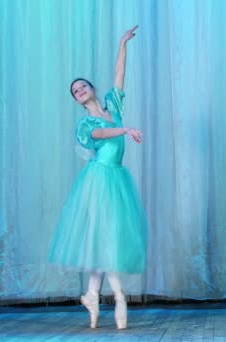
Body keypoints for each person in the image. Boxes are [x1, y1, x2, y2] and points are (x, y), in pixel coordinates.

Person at [48, 25, 148, 330]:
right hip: (98, 182)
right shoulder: (85, 124)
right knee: (107, 236)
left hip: (117, 179)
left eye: (82, 86)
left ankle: (92, 294)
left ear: (91, 89)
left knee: (109, 237)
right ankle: (118, 296)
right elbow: (99, 133)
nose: (80, 91)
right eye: (75, 91)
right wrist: (125, 130)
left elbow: (119, 75)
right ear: (77, 101)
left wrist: (122, 45)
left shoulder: (112, 106)